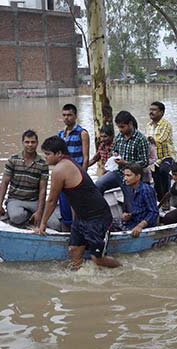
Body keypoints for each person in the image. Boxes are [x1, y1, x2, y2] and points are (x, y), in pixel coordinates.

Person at [36, 136, 120, 270]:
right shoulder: (67, 164)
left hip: (97, 217)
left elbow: (52, 201)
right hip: (81, 217)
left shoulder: (60, 170)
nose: (45, 157)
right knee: (74, 250)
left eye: (47, 154)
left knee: (97, 259)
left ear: (59, 154)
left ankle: (122, 269)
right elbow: (75, 196)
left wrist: (43, 225)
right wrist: (76, 221)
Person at [95, 111, 150, 213]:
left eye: (122, 127)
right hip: (118, 172)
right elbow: (113, 151)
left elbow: (145, 162)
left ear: (130, 124)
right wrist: (114, 155)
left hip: (132, 176)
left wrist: (126, 163)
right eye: (119, 127)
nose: (120, 130)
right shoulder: (119, 137)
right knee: (98, 185)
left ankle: (131, 217)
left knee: (130, 204)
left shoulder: (141, 140)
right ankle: (101, 213)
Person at [0, 130, 48, 227]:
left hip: (33, 201)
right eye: (27, 142)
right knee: (17, 217)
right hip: (15, 199)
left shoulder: (42, 163)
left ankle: (32, 215)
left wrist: (39, 211)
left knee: (53, 222)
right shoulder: (13, 160)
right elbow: (4, 183)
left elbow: (43, 189)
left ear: (37, 143)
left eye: (33, 142)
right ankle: (26, 216)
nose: (30, 145)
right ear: (23, 143)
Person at [57, 104, 90, 229]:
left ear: (76, 116)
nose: (67, 118)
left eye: (70, 115)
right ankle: (67, 227)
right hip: (63, 175)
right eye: (64, 115)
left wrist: (83, 176)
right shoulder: (60, 134)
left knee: (76, 204)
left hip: (76, 175)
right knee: (64, 202)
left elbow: (85, 157)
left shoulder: (82, 133)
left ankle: (77, 228)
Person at [146, 101, 175, 205]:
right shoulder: (148, 125)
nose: (151, 112)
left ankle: (167, 199)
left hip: (166, 156)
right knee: (156, 180)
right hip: (154, 158)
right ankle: (159, 200)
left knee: (163, 171)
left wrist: (150, 140)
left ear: (161, 112)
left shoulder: (166, 124)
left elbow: (161, 139)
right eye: (150, 110)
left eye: (154, 110)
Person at [121, 163, 159, 238]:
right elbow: (139, 210)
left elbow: (154, 212)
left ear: (138, 177)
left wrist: (140, 226)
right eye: (125, 175)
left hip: (143, 226)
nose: (125, 178)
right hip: (133, 221)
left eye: (128, 175)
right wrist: (129, 216)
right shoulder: (131, 189)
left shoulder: (146, 190)